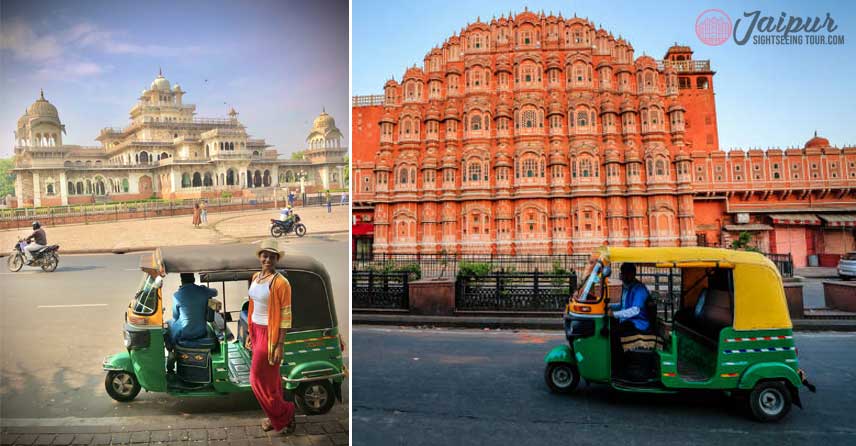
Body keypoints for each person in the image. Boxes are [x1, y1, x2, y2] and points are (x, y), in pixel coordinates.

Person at [247, 239, 296, 434]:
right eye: (264, 255)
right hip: (256, 331)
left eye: (272, 256)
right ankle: (275, 417)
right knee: (271, 381)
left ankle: (285, 412)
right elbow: (252, 305)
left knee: (255, 378)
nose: (267, 258)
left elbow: (285, 315)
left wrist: (279, 344)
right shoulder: (255, 277)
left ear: (277, 259)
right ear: (260, 257)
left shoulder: (281, 283)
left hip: (271, 333)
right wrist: (250, 333)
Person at [607, 263, 654, 381]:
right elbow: (623, 306)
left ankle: (620, 370)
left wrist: (614, 314)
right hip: (629, 321)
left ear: (632, 274)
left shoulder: (639, 289)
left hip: (638, 323)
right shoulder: (627, 287)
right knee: (606, 329)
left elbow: (635, 310)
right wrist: (609, 307)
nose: (622, 276)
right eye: (622, 273)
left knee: (614, 335)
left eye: (625, 273)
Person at [166, 273, 217, 370]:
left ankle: (171, 352)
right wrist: (204, 288)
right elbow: (215, 292)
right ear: (194, 279)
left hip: (185, 333)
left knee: (167, 326)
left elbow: (175, 317)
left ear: (182, 281)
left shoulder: (177, 295)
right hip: (201, 331)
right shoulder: (203, 291)